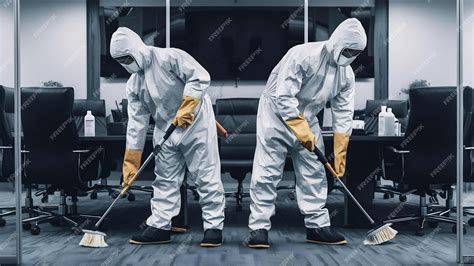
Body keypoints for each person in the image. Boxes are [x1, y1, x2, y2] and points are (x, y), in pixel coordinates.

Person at [246, 18, 367, 248]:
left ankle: (317, 226)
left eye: (355, 53)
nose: (350, 56)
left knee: (314, 172)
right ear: (338, 42)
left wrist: (340, 152)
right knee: (267, 171)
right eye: (348, 49)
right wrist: (299, 129)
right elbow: (284, 96)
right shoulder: (302, 55)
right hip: (276, 115)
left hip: (309, 119)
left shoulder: (346, 75)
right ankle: (258, 228)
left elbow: (343, 113)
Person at [110, 27, 226, 247]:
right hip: (166, 130)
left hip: (196, 123)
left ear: (137, 49)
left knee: (205, 175)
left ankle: (213, 226)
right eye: (121, 60)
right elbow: (136, 124)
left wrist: (188, 106)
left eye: (127, 57)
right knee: (164, 178)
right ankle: (160, 225)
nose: (126, 63)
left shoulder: (170, 57)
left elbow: (200, 77)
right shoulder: (133, 84)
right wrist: (131, 163)